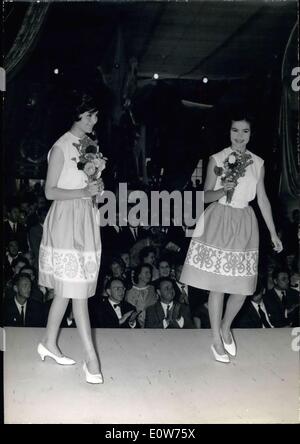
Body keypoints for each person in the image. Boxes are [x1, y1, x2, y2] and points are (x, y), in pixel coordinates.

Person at [180, 113, 283, 362]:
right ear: (229, 132)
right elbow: (204, 196)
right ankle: (216, 339)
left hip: (245, 222)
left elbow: (263, 199)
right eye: (235, 130)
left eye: (245, 131)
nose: (239, 136)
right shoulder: (217, 158)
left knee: (243, 287)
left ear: (250, 134)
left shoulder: (258, 163)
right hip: (219, 219)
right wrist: (221, 190)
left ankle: (226, 326)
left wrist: (272, 232)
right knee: (218, 285)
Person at [38, 92, 104, 384]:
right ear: (75, 115)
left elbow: (87, 186)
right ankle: (92, 359)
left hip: (85, 219)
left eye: (96, 115)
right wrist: (84, 192)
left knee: (67, 290)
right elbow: (49, 192)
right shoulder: (61, 147)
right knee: (77, 292)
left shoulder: (90, 145)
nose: (95, 120)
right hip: (65, 221)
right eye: (90, 115)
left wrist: (95, 186)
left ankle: (49, 344)